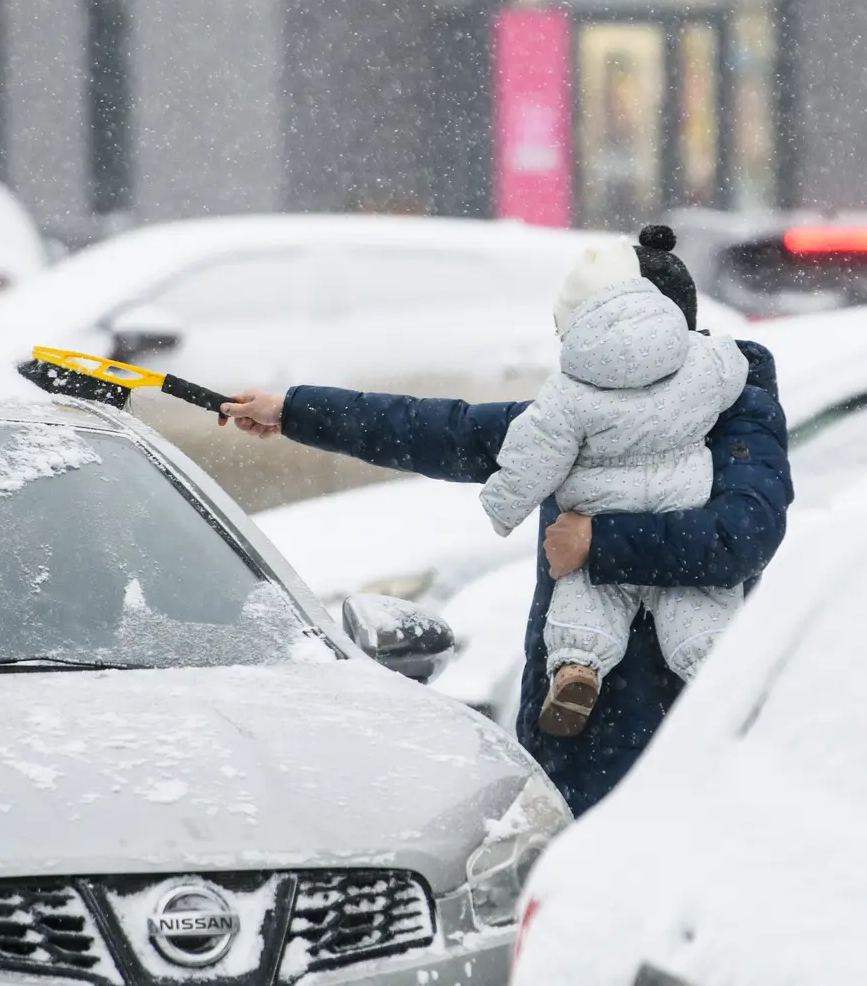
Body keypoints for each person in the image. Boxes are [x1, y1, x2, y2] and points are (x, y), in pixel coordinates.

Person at [218, 226, 791, 815]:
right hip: (575, 739)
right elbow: (442, 428)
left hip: (685, 740)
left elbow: (743, 535)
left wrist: (599, 542)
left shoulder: (736, 409)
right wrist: (294, 411)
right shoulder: (582, 409)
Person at [480, 230, 750, 737]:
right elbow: (737, 367)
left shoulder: (567, 391)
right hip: (682, 509)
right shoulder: (696, 361)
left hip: (599, 518)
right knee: (698, 604)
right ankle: (718, 675)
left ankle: (578, 669)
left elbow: (532, 454)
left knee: (585, 597)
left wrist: (502, 506)